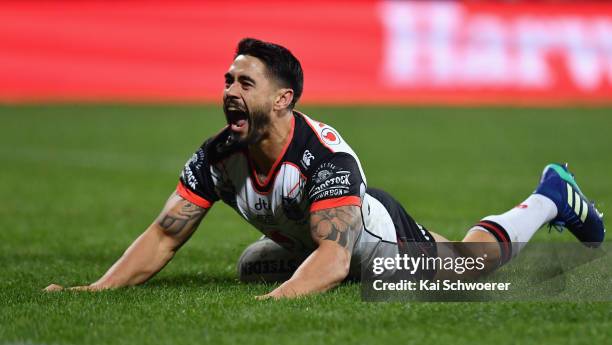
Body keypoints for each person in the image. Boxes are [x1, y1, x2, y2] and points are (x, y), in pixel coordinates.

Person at [44, 38, 605, 299]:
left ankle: (550, 195)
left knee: (471, 266)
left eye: (245, 83)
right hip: (313, 241)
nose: (229, 92)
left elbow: (336, 259)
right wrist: (93, 290)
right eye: (227, 81)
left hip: (376, 238)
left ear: (283, 100)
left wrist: (276, 304)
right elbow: (164, 237)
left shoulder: (324, 156)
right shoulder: (218, 156)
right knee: (248, 267)